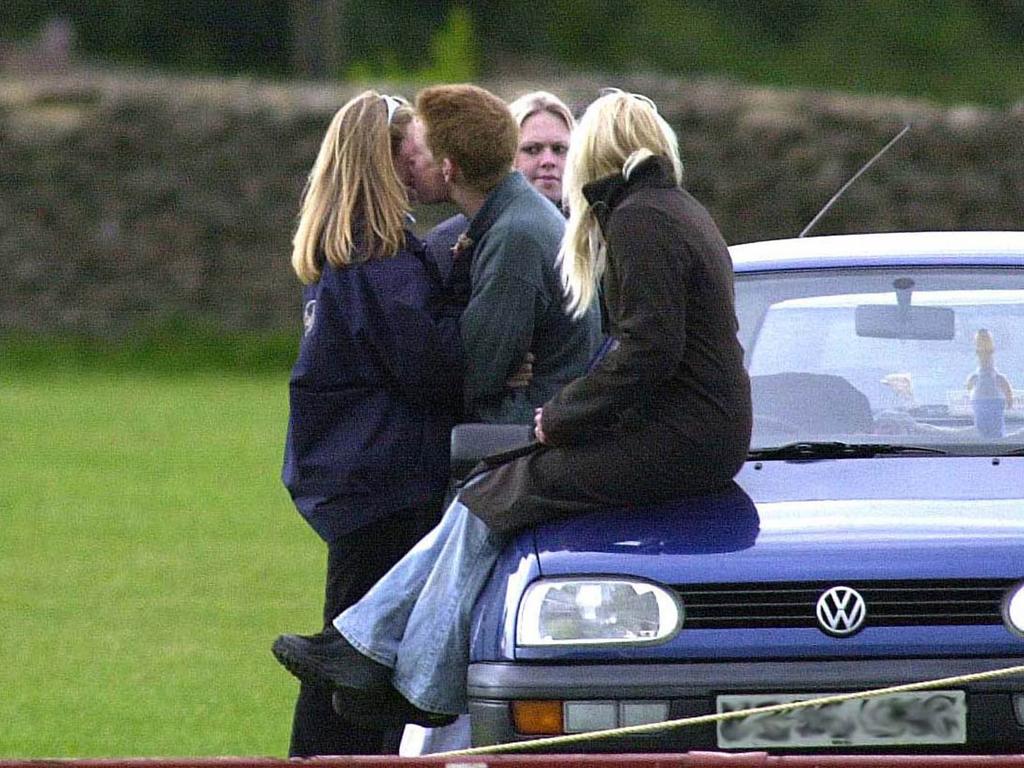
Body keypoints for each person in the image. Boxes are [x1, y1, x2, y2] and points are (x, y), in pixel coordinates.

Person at [270, 87, 747, 730]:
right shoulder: (663, 212)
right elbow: (640, 348)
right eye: (540, 146)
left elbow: (640, 350)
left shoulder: (636, 220)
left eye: (568, 146)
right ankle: (370, 648)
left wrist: (561, 414)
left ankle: (407, 676)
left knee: (493, 493)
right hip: (690, 435)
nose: (560, 162)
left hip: (681, 438)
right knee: (493, 492)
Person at [278, 90, 467, 757]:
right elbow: (429, 362)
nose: (422, 160)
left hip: (354, 475)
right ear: (382, 158)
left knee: (357, 641)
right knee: (354, 652)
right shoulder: (378, 254)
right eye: (410, 146)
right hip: (385, 478)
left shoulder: (346, 250)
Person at [425, 90, 575, 281]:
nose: (548, 161)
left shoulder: (592, 235)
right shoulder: (445, 242)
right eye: (532, 150)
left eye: (559, 149)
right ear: (504, 153)